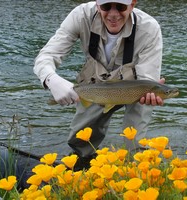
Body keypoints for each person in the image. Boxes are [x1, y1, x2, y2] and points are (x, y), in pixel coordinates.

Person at [34, 0, 164, 170]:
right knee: (80, 141)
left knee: (137, 144)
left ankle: (136, 177)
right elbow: (46, 56)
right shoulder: (80, 16)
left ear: (133, 4)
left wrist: (151, 94)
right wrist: (52, 79)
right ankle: (82, 171)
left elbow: (147, 80)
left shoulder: (149, 28)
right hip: (96, 84)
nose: (113, 13)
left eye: (121, 7)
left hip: (135, 89)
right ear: (97, 4)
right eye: (106, 6)